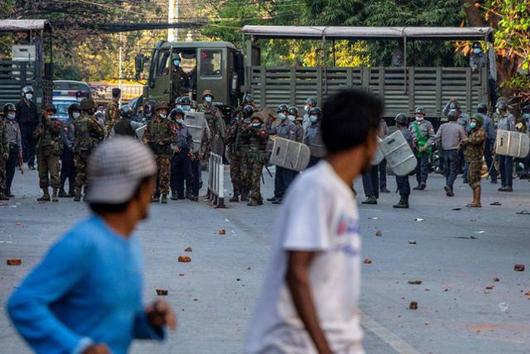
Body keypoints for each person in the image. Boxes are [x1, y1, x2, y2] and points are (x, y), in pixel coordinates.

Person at [6, 137, 176, 354]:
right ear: (138, 188)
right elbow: (23, 304)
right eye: (150, 183)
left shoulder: (129, 242)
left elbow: (113, 318)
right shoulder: (82, 244)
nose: (152, 191)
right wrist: (78, 348)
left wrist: (148, 318)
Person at [245, 88, 383, 354]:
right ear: (368, 139)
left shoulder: (340, 192)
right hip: (295, 346)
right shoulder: (318, 188)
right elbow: (297, 272)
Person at [143, 102, 175, 204]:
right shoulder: (150, 123)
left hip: (164, 152)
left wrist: (165, 141)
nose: (163, 112)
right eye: (161, 110)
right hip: (153, 152)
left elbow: (174, 136)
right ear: (157, 111)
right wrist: (146, 141)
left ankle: (164, 194)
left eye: (165, 110)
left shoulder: (169, 123)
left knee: (165, 174)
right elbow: (145, 135)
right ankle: (154, 194)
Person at [73, 98, 105, 202]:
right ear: (89, 108)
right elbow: (101, 132)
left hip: (79, 149)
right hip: (90, 149)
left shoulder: (77, 120)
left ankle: (77, 193)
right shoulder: (91, 120)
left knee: (79, 171)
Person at [268, 104, 297, 204]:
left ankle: (287, 197)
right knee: (278, 175)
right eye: (279, 113)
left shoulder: (291, 125)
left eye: (282, 112)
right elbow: (272, 132)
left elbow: (292, 140)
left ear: (286, 113)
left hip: (287, 154)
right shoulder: (280, 124)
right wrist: (268, 123)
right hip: (279, 153)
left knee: (286, 176)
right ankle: (278, 195)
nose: (280, 114)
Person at [434, 109, 466, 197]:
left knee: (447, 170)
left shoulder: (443, 126)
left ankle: (450, 190)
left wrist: (439, 146)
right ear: (457, 118)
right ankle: (449, 185)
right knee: (454, 171)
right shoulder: (459, 127)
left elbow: (437, 137)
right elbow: (464, 139)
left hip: (444, 151)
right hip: (454, 151)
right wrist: (459, 145)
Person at [34, 104, 63, 202]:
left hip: (52, 151)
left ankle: (55, 194)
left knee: (54, 173)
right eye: (47, 111)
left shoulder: (56, 122)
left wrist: (47, 119)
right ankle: (45, 194)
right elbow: (34, 136)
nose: (49, 113)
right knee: (42, 173)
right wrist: (38, 132)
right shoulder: (41, 124)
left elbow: (56, 130)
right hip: (41, 150)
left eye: (51, 111)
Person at [227, 104, 253, 202]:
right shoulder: (235, 123)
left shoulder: (250, 123)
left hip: (245, 152)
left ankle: (244, 194)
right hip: (235, 152)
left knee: (245, 174)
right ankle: (235, 193)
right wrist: (235, 127)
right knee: (234, 174)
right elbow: (228, 137)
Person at [242, 111, 269, 206]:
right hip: (250, 156)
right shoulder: (250, 128)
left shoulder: (263, 128)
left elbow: (263, 136)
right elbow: (244, 138)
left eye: (257, 120)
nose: (255, 121)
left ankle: (253, 198)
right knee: (248, 177)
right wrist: (246, 130)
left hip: (258, 156)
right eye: (254, 120)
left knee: (255, 178)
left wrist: (254, 130)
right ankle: (258, 196)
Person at [462, 114, 486, 207]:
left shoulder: (481, 132)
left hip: (476, 160)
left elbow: (475, 140)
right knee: (471, 179)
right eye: (472, 121)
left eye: (474, 121)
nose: (472, 123)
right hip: (471, 159)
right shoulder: (473, 131)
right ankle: (474, 201)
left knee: (475, 180)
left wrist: (466, 140)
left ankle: (477, 201)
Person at [169, 107, 193, 200]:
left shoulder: (185, 127)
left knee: (188, 173)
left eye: (180, 116)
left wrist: (191, 149)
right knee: (174, 173)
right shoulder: (170, 127)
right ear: (174, 117)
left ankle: (188, 192)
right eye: (177, 116)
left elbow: (190, 139)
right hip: (175, 153)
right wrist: (173, 147)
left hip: (185, 152)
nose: (179, 117)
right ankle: (174, 192)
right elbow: (168, 138)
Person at [410, 106, 435, 190]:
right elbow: (409, 136)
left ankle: (423, 182)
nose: (419, 115)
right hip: (415, 149)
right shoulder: (412, 125)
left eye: (420, 114)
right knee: (417, 166)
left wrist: (426, 145)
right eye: (417, 114)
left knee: (423, 166)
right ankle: (419, 182)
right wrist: (412, 142)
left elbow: (432, 137)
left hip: (424, 148)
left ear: (423, 114)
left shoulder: (428, 124)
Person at [15, 86, 38, 170]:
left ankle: (31, 163)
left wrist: (36, 127)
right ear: (24, 94)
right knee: (22, 145)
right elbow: (16, 117)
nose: (29, 95)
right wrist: (17, 127)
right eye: (28, 93)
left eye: (31, 94)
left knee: (32, 146)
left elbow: (36, 117)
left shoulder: (33, 105)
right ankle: (19, 162)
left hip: (31, 127)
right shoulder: (19, 105)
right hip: (22, 127)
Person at [393, 113, 413, 208]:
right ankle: (404, 199)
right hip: (406, 159)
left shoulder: (401, 133)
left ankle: (403, 200)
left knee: (402, 180)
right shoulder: (407, 132)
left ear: (398, 123)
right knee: (403, 179)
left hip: (402, 160)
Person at [3, 104, 23, 199]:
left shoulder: (16, 124)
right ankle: (2, 190)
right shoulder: (3, 123)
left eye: (13, 113)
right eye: (10, 112)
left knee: (11, 171)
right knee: (3, 170)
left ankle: (8, 189)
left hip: (14, 148)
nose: (12, 114)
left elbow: (19, 139)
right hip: (5, 148)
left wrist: (20, 152)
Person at [58, 103, 78, 198]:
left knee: (73, 171)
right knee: (65, 170)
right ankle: (61, 189)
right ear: (71, 112)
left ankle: (71, 190)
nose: (77, 113)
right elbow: (64, 137)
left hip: (76, 150)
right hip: (67, 150)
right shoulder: (65, 123)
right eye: (75, 111)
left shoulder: (78, 122)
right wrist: (70, 146)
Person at [496, 100, 516, 192]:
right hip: (501, 144)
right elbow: (498, 132)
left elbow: (513, 131)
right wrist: (495, 144)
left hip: (508, 143)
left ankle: (509, 185)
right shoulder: (500, 118)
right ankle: (503, 184)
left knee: (507, 165)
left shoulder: (510, 117)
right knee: (501, 164)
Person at [199, 89, 225, 156]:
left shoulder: (215, 109)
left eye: (209, 96)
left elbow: (219, 122)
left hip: (212, 135)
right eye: (206, 96)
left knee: (213, 153)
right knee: (201, 151)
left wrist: (218, 133)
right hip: (201, 134)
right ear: (203, 98)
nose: (208, 97)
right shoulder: (199, 108)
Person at [477, 103, 497, 183]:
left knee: (473, 158)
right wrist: (493, 142)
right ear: (486, 111)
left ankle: (467, 177)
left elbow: (468, 129)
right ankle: (493, 177)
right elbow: (491, 133)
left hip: (475, 141)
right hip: (485, 141)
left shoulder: (473, 118)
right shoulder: (488, 119)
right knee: (488, 158)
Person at [378, 118, 390, 193]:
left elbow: (386, 133)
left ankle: (383, 186)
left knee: (382, 168)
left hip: (381, 147)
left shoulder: (383, 122)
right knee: (373, 170)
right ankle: (379, 187)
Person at [0, 106, 9, 200]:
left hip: (1, 153)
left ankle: (1, 192)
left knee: (2, 173)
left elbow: (6, 139)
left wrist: (6, 151)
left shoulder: (3, 125)